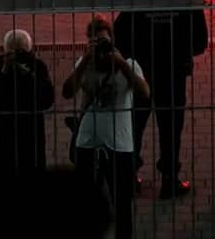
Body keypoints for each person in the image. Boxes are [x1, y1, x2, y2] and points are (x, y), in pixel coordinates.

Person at [113, 0, 209, 199]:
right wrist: (181, 53)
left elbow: (119, 36)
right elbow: (200, 41)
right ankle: (169, 179)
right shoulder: (185, 0)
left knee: (134, 125)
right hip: (173, 74)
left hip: (141, 75)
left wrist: (134, 57)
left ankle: (129, 175)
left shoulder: (138, 1)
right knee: (171, 129)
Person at [62, 16, 149, 239]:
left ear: (112, 41)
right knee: (85, 199)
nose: (101, 48)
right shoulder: (85, 65)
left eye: (103, 41)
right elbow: (67, 92)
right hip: (88, 139)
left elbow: (144, 93)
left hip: (120, 141)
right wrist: (85, 60)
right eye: (95, 42)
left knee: (122, 201)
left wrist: (121, 64)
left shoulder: (128, 64)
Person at [0, 29, 55, 199]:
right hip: (0, 141)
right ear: (6, 51)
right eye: (14, 52)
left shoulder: (37, 66)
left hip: (30, 142)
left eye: (22, 52)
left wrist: (30, 76)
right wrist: (4, 71)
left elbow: (47, 99)